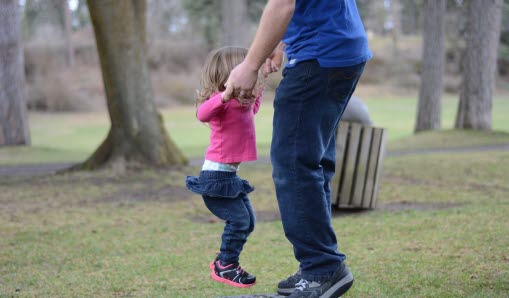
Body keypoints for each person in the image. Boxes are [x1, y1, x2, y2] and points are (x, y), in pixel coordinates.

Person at [222, 0, 372, 297]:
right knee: (312, 163)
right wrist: (278, 41)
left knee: (293, 165)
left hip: (319, 56)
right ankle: (320, 266)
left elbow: (283, 3)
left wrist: (250, 65)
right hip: (340, 50)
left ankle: (322, 269)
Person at [185, 46, 273, 288]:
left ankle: (224, 262)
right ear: (231, 73)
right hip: (216, 177)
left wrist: (262, 77)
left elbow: (254, 106)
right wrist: (224, 95)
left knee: (249, 222)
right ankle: (226, 265)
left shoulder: (242, 104)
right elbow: (201, 114)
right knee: (240, 222)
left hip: (230, 177)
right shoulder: (220, 103)